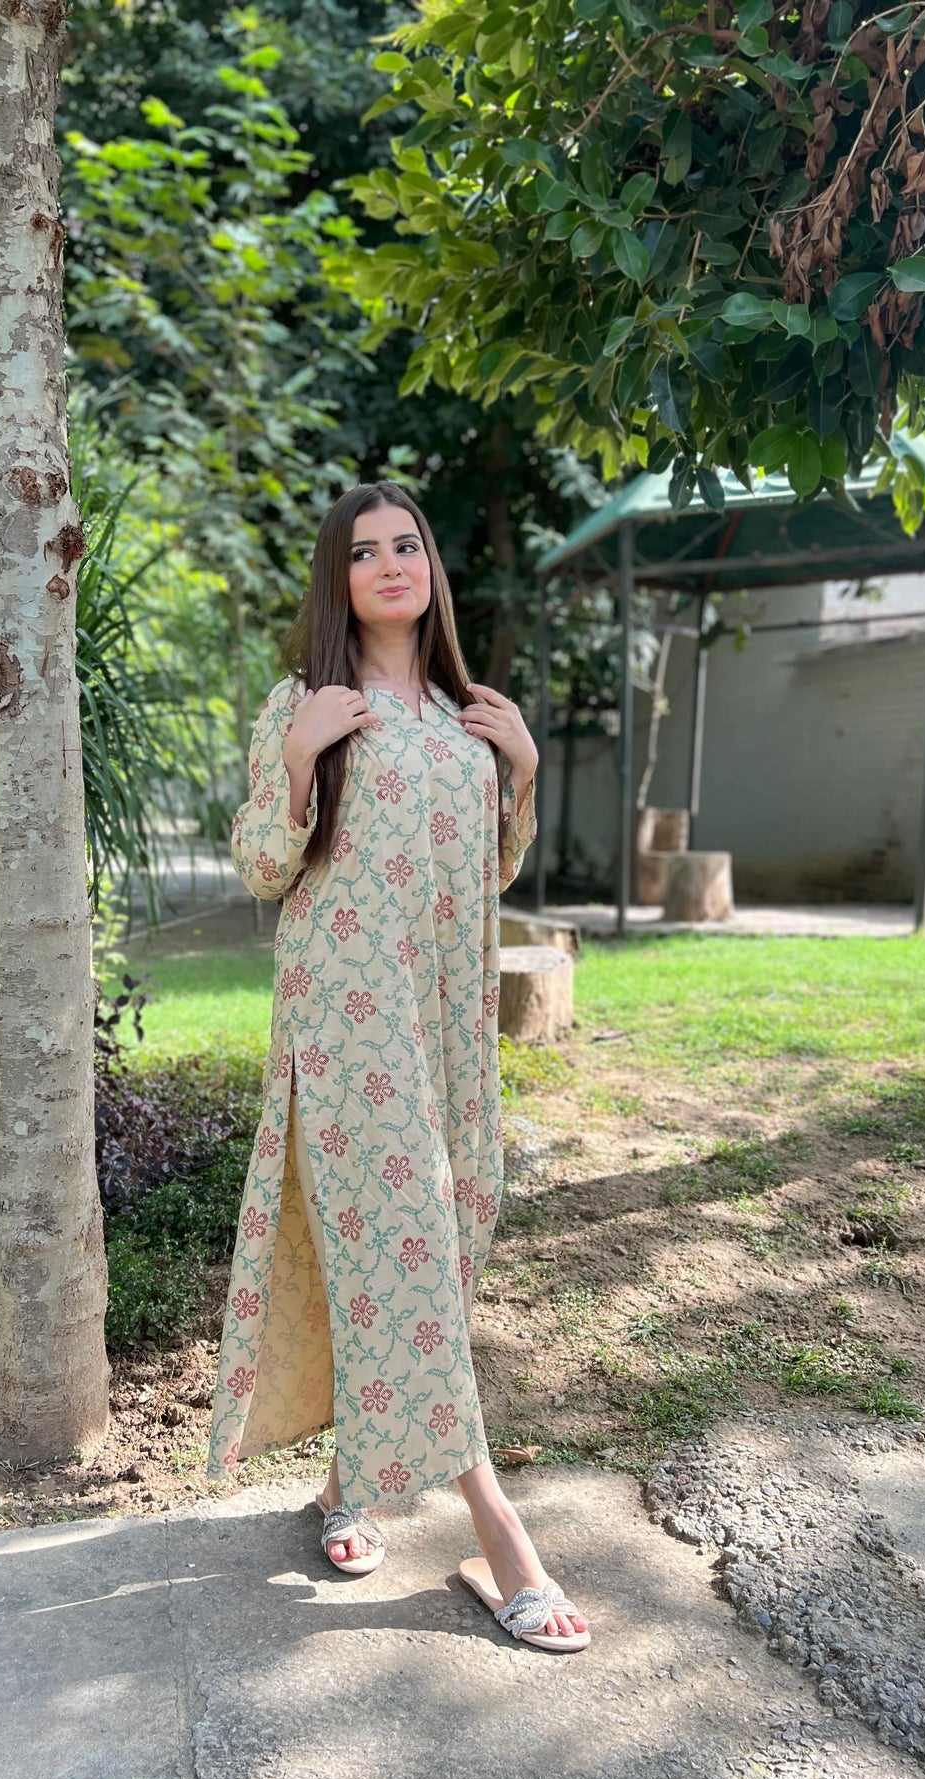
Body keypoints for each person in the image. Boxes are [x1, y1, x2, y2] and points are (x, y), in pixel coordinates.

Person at [206, 481, 589, 1653]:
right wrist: (296, 761)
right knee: (406, 1237)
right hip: (345, 1022)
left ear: (431, 567)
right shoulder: (306, 704)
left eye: (406, 545)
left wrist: (520, 773)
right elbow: (261, 868)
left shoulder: (472, 713)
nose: (388, 564)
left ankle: (348, 1485)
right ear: (339, 576)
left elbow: (489, 872)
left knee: (439, 1234)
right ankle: (501, 1533)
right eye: (363, 550)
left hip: (446, 1022)